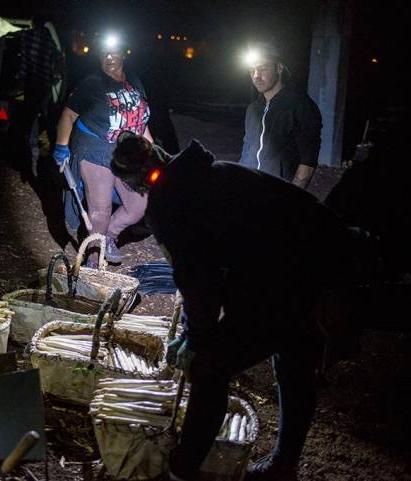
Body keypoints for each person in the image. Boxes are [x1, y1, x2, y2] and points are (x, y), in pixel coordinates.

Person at [112, 133, 352, 481]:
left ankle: (182, 470)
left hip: (288, 276)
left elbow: (200, 284)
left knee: (210, 366)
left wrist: (194, 339)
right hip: (316, 259)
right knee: (294, 356)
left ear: (134, 183)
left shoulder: (168, 204)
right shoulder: (215, 170)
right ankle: (284, 465)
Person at [53, 33, 153, 266]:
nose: (108, 57)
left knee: (139, 204)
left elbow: (139, 121)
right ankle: (93, 262)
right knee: (100, 211)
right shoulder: (91, 84)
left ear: (123, 54)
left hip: (124, 154)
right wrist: (61, 146)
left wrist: (153, 152)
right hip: (95, 150)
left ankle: (108, 237)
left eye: (113, 53)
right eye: (103, 54)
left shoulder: (135, 80)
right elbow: (67, 115)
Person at [239, 43, 322, 189]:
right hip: (249, 189)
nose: (256, 76)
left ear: (279, 68)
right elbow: (247, 149)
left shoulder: (300, 105)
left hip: (277, 193)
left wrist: (292, 197)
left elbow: (308, 162)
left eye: (263, 69)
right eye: (252, 71)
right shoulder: (253, 109)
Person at [18, 17, 62, 177]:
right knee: (47, 117)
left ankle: (28, 154)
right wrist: (54, 75)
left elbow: (22, 58)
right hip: (45, 85)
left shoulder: (26, 36)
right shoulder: (49, 41)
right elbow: (58, 58)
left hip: (31, 83)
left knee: (29, 117)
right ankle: (52, 154)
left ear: (32, 23)